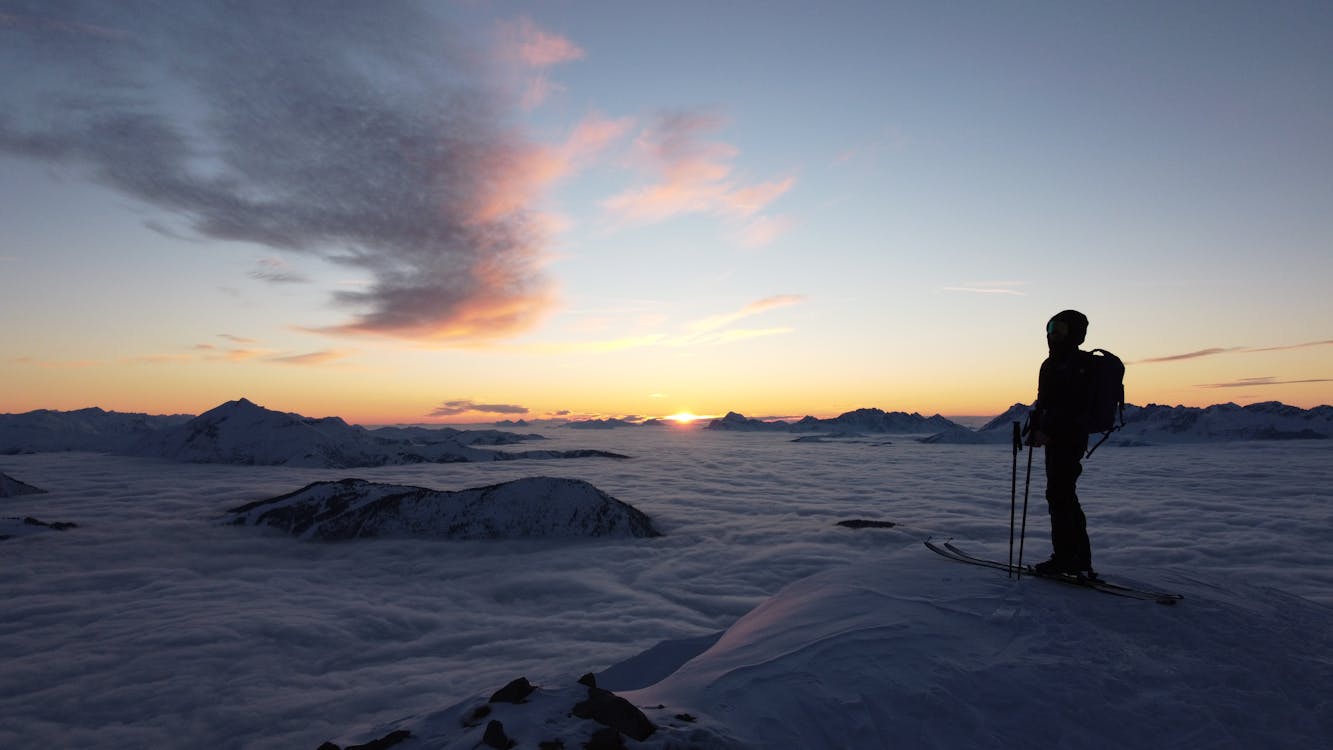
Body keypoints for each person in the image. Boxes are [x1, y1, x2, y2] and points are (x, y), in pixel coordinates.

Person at [1026, 309, 1095, 576]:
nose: (1054, 335)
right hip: (1055, 438)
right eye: (1052, 328)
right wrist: (1037, 427)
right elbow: (1045, 402)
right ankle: (1073, 558)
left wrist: (1050, 430)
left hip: (1069, 438)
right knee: (1060, 496)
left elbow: (1075, 408)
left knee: (1061, 496)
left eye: (1061, 329)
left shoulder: (1080, 365)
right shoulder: (1051, 364)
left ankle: (1069, 558)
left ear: (1076, 334)